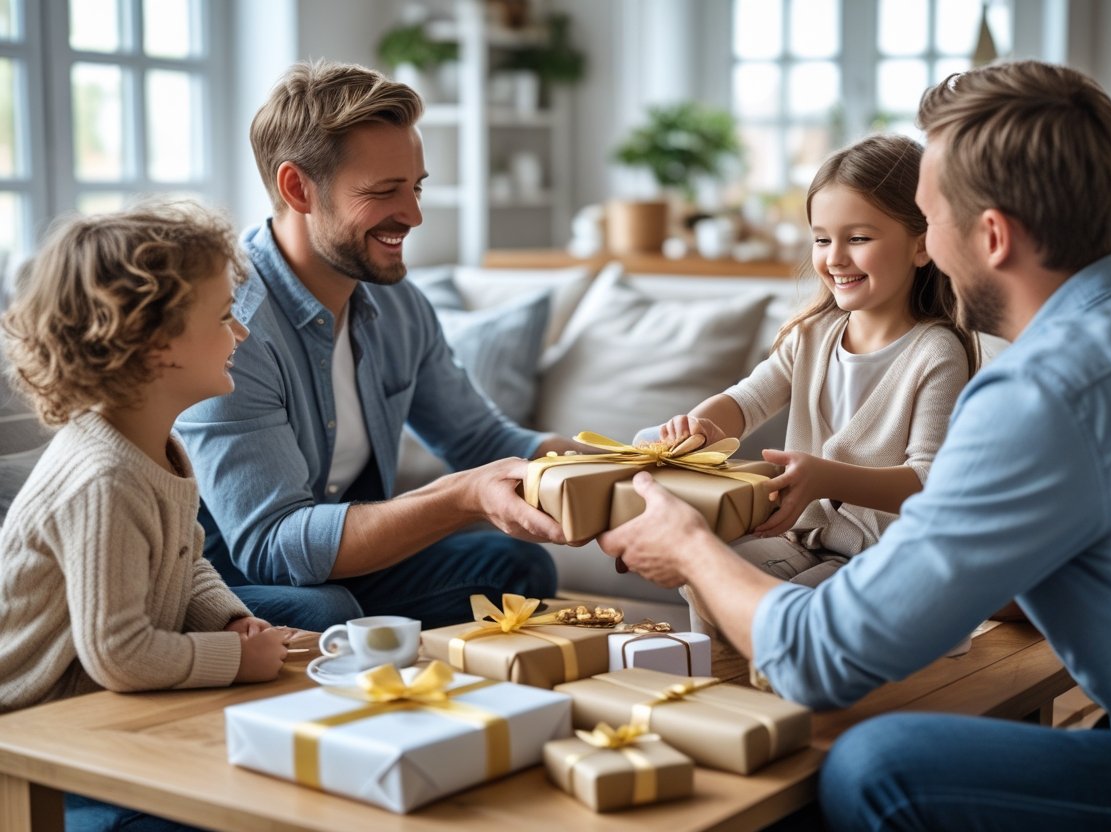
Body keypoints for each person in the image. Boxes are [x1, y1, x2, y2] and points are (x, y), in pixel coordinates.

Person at [600, 59, 1111, 831]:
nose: (930, 244)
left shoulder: (1040, 391)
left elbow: (819, 660)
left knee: (875, 766)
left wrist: (687, 545)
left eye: (931, 217)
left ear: (990, 236)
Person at [176, 61, 574, 633]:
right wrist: (460, 498)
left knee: (516, 568)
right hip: (226, 577)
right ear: (298, 188)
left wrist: (620, 467)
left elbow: (481, 439)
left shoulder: (398, 306)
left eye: (415, 187)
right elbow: (271, 547)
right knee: (326, 613)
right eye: (384, 192)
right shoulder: (230, 326)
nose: (412, 215)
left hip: (342, 572)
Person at [0, 202, 290, 831]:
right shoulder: (103, 478)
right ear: (157, 348)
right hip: (38, 732)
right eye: (222, 318)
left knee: (309, 623)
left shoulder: (155, 442)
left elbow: (187, 563)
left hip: (97, 697)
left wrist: (234, 622)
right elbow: (120, 654)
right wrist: (238, 661)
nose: (239, 334)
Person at [658, 134, 978, 634]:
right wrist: (699, 424)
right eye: (822, 239)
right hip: (805, 542)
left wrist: (826, 477)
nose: (834, 258)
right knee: (705, 576)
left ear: (922, 244)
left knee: (783, 615)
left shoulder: (936, 353)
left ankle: (782, 702)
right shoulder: (809, 336)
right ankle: (719, 702)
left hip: (886, 561)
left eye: (858, 238)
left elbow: (929, 482)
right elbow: (746, 402)